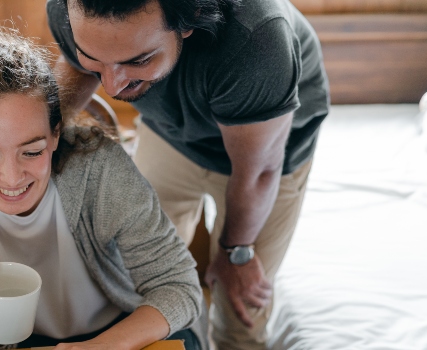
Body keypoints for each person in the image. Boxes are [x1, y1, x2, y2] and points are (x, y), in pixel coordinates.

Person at [46, 0, 330, 348]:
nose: (113, 87)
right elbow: (77, 68)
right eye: (95, 59)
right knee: (138, 277)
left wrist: (235, 252)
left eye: (137, 60)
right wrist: (40, 138)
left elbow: (258, 172)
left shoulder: (256, 38)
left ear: (190, 19)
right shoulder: (70, 8)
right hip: (170, 132)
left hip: (266, 156)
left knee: (239, 304)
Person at [0, 29, 203, 350]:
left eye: (31, 151)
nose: (12, 177)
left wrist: (101, 347)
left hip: (126, 327)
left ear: (55, 135)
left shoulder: (97, 171)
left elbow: (179, 288)